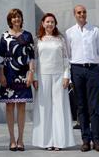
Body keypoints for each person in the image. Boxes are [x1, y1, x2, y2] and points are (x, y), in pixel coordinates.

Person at [32, 13, 75, 150]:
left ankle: (59, 142)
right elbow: (34, 60)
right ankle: (46, 142)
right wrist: (35, 78)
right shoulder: (38, 40)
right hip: (43, 76)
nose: (50, 24)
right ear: (43, 23)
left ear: (55, 24)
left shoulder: (60, 39)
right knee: (44, 109)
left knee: (59, 108)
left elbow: (65, 59)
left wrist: (66, 76)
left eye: (52, 22)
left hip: (59, 77)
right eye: (47, 21)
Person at [65, 5, 99, 152]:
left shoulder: (95, 30)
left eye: (84, 12)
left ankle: (96, 139)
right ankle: (85, 140)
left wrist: (97, 66)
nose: (82, 14)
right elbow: (68, 55)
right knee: (81, 106)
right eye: (79, 12)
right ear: (74, 14)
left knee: (94, 105)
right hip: (77, 69)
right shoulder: (69, 32)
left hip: (92, 69)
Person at [0, 8, 35, 151]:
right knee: (9, 106)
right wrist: (1, 74)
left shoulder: (27, 35)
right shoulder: (4, 36)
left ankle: (21, 139)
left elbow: (32, 56)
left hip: (23, 73)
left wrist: (31, 73)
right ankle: (12, 139)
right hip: (8, 73)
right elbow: (1, 57)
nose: (16, 19)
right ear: (10, 20)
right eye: (13, 17)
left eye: (18, 17)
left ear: (21, 19)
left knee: (21, 106)